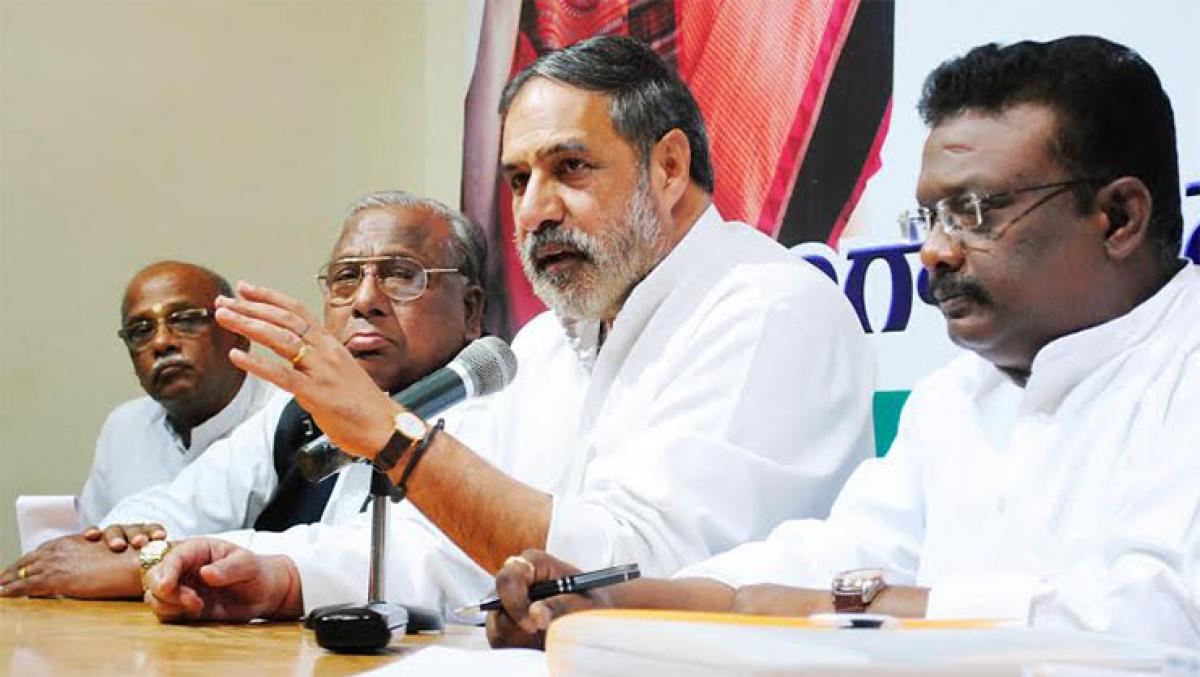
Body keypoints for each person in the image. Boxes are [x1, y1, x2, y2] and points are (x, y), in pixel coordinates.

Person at [486, 36, 1200, 649]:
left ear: (1118, 216)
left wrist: (862, 605)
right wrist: (617, 602)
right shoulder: (956, 398)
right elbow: (835, 555)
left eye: (974, 212)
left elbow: (1160, 615)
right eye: (929, 217)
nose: (935, 252)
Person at [139, 35, 875, 623]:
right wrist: (279, 576)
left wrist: (391, 434)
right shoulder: (550, 344)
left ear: (670, 167)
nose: (533, 211)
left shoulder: (769, 306)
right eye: (519, 179)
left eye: (570, 167)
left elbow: (637, 569)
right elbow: (449, 549)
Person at [0, 191, 487, 600]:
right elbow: (183, 502)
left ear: (471, 310)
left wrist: (155, 561)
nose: (364, 301)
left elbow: (386, 558)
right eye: (346, 277)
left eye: (401, 274)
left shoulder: (496, 413)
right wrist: (124, 538)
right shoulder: (299, 412)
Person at [74, 262, 278, 526]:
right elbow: (93, 540)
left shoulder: (286, 421)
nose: (161, 342)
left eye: (185, 320)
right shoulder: (124, 428)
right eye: (141, 331)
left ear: (238, 333)